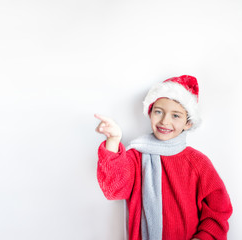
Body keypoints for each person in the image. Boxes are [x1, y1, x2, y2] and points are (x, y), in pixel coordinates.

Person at [95, 75, 232, 240]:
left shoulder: (198, 163)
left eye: (176, 116)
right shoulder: (136, 156)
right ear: (150, 113)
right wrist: (113, 140)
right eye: (158, 112)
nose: (165, 121)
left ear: (188, 123)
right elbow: (113, 190)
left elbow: (219, 210)